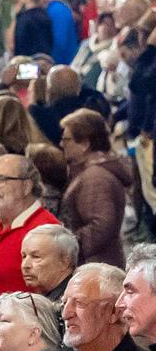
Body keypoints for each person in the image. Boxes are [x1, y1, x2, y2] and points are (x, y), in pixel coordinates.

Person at [0, 153, 59, 348]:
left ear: (27, 186)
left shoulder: (43, 231)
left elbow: (49, 301)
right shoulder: (2, 226)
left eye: (1, 179)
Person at [57, 108, 132, 267]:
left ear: (84, 144)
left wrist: (64, 248)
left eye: (66, 139)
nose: (61, 144)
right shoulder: (92, 172)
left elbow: (101, 227)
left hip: (96, 266)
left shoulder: (95, 178)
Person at [21, 224, 79, 302]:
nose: (25, 265)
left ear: (64, 263)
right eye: (24, 256)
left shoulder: (72, 305)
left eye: (36, 256)